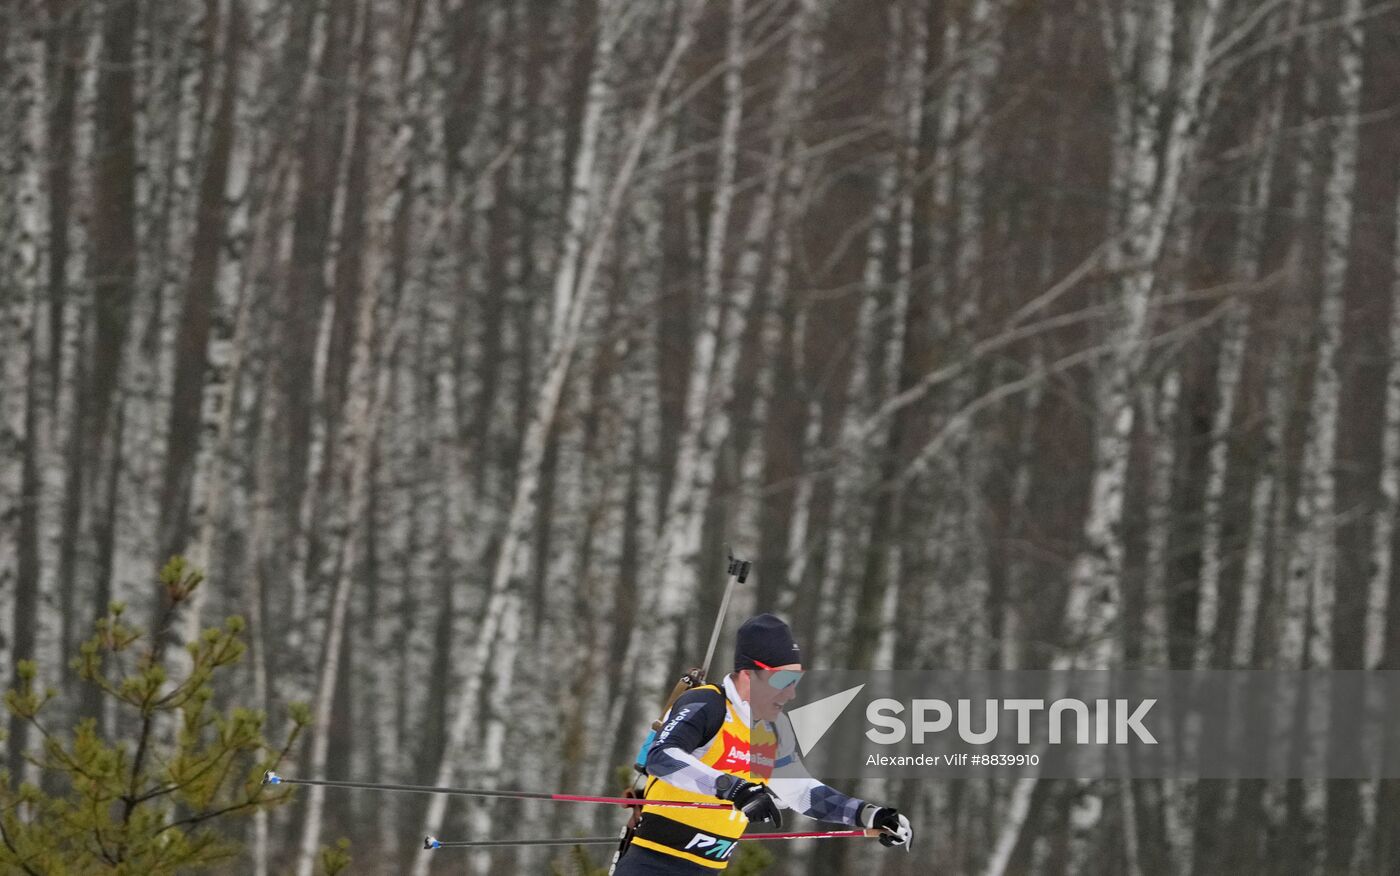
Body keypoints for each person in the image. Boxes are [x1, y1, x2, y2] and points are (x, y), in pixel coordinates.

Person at [613, 614, 913, 873]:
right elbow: (661, 757)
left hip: (708, 868)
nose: (791, 693)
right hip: (654, 863)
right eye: (782, 680)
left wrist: (867, 814)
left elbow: (799, 791)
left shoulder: (770, 729)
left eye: (796, 681)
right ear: (748, 674)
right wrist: (733, 787)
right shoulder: (708, 704)